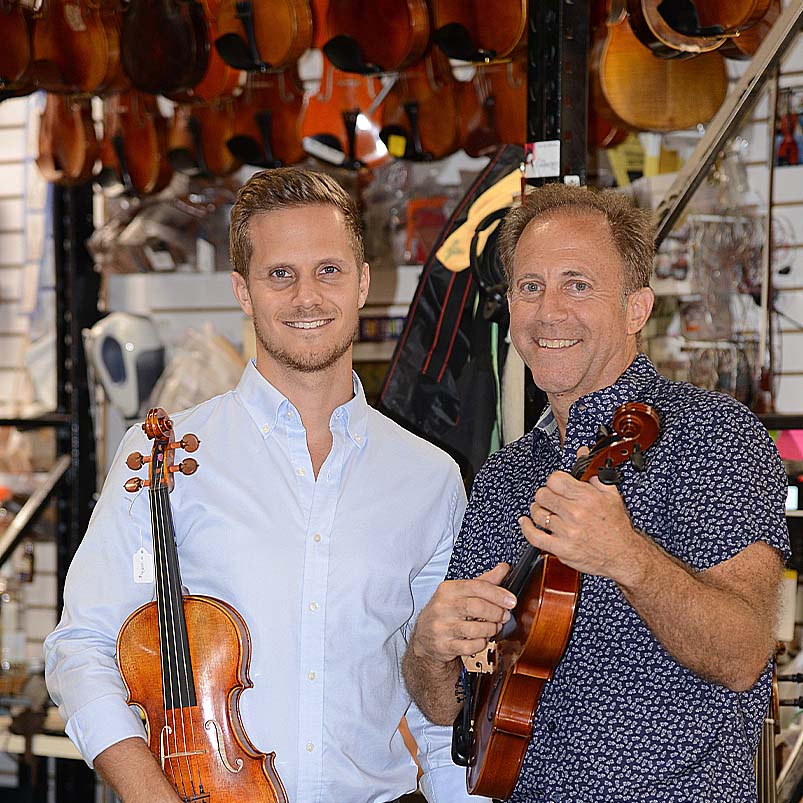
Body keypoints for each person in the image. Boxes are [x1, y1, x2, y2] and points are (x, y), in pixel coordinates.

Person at [44, 167, 485, 803]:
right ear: (243, 291)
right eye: (280, 274)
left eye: (329, 270)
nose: (307, 297)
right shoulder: (162, 456)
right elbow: (83, 647)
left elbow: (435, 700)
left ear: (363, 281)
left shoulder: (429, 477)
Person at [403, 183, 790, 803]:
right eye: (530, 287)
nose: (548, 311)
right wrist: (429, 649)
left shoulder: (716, 436)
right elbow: (448, 706)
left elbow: (744, 654)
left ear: (636, 308)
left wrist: (629, 558)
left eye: (577, 284)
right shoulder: (505, 476)